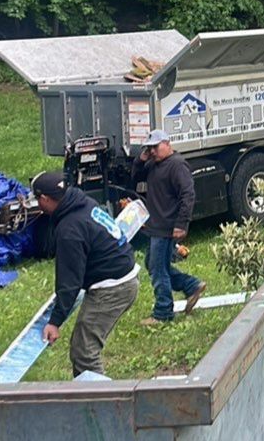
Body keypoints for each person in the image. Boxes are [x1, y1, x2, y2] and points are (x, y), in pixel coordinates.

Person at [32, 171, 139, 377]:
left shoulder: (69, 229)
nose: (38, 205)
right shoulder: (82, 202)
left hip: (112, 288)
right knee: (84, 347)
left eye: (37, 200)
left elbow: (70, 281)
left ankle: (100, 405)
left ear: (45, 199)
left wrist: (55, 322)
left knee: (84, 352)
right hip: (124, 274)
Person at [132, 129, 206, 324]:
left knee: (157, 269)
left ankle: (163, 312)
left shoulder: (177, 165)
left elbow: (188, 195)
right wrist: (142, 158)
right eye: (150, 148)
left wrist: (181, 224)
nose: (153, 152)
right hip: (156, 225)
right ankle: (191, 285)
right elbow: (135, 176)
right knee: (155, 265)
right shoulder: (152, 165)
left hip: (167, 226)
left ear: (167, 144)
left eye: (155, 147)